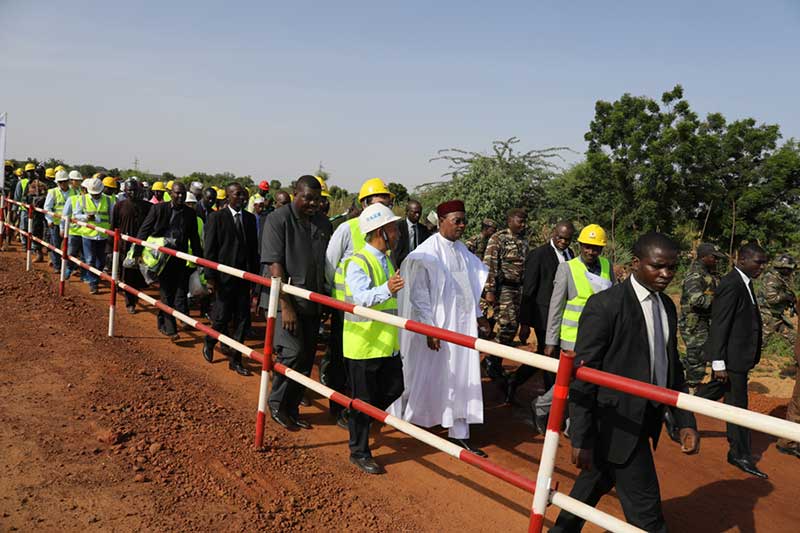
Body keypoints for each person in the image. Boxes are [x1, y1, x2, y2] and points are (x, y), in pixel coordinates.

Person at [550, 232, 699, 533]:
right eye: (658, 266)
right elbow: (583, 375)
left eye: (672, 267)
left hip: (646, 417)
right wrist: (581, 437)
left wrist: (685, 419)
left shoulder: (667, 306)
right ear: (635, 263)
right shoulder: (605, 305)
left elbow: (672, 367)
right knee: (648, 518)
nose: (666, 274)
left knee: (595, 483)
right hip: (616, 422)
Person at [389, 200, 491, 457]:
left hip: (463, 327)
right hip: (437, 328)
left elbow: (469, 287)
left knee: (462, 374)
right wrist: (429, 329)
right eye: (457, 221)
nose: (462, 225)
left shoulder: (462, 251)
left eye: (464, 220)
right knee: (423, 374)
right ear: (442, 220)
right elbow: (419, 295)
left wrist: (478, 316)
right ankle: (409, 417)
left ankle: (459, 430)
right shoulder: (426, 253)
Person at [324, 178, 395, 428]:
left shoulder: (386, 230)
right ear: (365, 203)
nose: (385, 205)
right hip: (346, 309)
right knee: (340, 361)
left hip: (373, 312)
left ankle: (357, 412)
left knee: (365, 371)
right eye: (380, 201)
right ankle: (338, 406)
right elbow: (330, 265)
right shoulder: (347, 229)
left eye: (388, 202)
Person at [260, 175, 330, 430]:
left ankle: (292, 406)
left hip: (313, 301)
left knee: (307, 357)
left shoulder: (322, 223)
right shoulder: (278, 220)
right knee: (292, 353)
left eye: (317, 199)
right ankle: (277, 403)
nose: (313, 203)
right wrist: (286, 306)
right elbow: (274, 265)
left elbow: (326, 265)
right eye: (308, 198)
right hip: (285, 300)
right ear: (295, 194)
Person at [342, 203, 405, 474]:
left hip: (386, 343)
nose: (398, 232)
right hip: (363, 344)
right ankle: (359, 451)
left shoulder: (386, 259)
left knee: (395, 388)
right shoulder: (357, 262)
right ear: (381, 231)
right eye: (393, 227)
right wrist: (387, 289)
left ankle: (356, 416)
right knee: (364, 400)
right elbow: (361, 299)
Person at [697, 243, 769, 478]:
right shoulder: (731, 284)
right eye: (758, 262)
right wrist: (718, 362)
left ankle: (676, 410)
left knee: (713, 392)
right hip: (731, 360)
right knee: (738, 407)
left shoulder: (745, 283)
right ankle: (739, 453)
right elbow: (719, 324)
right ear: (743, 260)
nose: (762, 267)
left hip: (738, 358)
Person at [534, 224, 613, 433]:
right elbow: (556, 306)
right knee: (569, 381)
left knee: (588, 383)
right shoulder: (567, 268)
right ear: (580, 246)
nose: (590, 251)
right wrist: (551, 341)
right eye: (587, 247)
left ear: (602, 249)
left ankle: (572, 425)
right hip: (572, 338)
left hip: (598, 338)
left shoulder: (607, 266)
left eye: (595, 248)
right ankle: (542, 407)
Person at [505, 221, 576, 404]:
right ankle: (550, 402)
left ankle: (514, 380)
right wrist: (525, 323)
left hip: (564, 314)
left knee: (545, 355)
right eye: (560, 237)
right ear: (553, 233)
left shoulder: (571, 254)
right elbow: (529, 290)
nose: (563, 242)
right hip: (543, 314)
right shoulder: (538, 254)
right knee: (550, 355)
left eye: (567, 239)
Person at [202, 183, 259, 376]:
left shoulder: (251, 220)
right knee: (221, 317)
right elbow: (209, 250)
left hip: (244, 278)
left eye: (244, 195)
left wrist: (256, 280)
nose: (242, 198)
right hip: (223, 279)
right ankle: (210, 341)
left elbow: (253, 251)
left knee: (243, 320)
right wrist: (210, 277)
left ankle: (236, 359)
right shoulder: (217, 218)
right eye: (238, 195)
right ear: (228, 197)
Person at [136, 181, 203, 339]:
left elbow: (194, 238)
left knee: (179, 293)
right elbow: (145, 229)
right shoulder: (159, 208)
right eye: (177, 193)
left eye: (183, 193)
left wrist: (200, 260)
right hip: (161, 258)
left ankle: (162, 319)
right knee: (166, 292)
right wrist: (137, 251)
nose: (180, 196)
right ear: (171, 193)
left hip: (180, 258)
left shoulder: (190, 214)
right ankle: (171, 328)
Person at [482, 208, 529, 382]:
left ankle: (494, 361)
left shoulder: (524, 241)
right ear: (510, 220)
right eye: (520, 221)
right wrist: (489, 290)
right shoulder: (498, 238)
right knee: (506, 325)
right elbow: (490, 265)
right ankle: (491, 361)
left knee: (511, 328)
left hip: (519, 289)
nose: (523, 225)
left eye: (524, 221)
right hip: (504, 290)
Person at [679, 243, 726, 390]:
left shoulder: (712, 273)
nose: (717, 261)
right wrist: (721, 301)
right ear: (704, 256)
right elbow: (696, 299)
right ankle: (691, 389)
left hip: (708, 321)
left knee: (708, 353)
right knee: (697, 357)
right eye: (714, 257)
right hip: (695, 324)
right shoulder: (695, 274)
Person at [111, 180, 152, 314]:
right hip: (125, 246)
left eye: (135, 190)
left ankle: (135, 296)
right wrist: (110, 246)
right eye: (129, 190)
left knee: (139, 275)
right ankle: (130, 302)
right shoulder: (119, 206)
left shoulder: (148, 207)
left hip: (142, 247)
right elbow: (114, 227)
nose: (132, 193)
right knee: (128, 274)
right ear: (125, 191)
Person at [72, 177, 113, 294]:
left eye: (97, 193)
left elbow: (111, 217)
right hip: (88, 235)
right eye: (93, 194)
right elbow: (76, 215)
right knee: (90, 260)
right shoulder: (82, 199)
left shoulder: (109, 200)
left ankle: (95, 277)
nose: (95, 196)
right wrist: (86, 217)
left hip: (103, 235)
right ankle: (93, 283)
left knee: (101, 261)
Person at [757, 254, 797, 348]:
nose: (790, 271)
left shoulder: (781, 278)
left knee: (793, 338)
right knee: (759, 343)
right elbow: (771, 299)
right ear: (781, 267)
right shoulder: (771, 278)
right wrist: (786, 297)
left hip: (777, 315)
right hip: (768, 314)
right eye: (788, 268)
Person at [43, 170, 73, 273]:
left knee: (70, 246)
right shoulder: (53, 192)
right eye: (60, 182)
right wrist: (49, 220)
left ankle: (68, 266)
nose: (63, 184)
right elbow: (47, 207)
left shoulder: (74, 192)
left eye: (64, 181)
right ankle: (57, 266)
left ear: (68, 181)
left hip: (70, 224)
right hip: (55, 223)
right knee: (56, 244)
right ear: (57, 183)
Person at [394, 199, 431, 266]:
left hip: (418, 266)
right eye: (415, 212)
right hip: (400, 265)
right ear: (407, 212)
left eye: (419, 213)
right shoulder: (398, 227)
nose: (417, 215)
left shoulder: (424, 230)